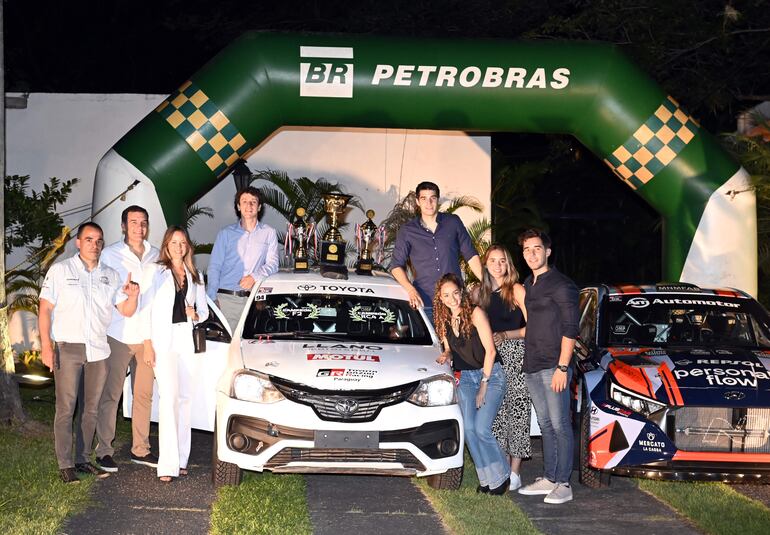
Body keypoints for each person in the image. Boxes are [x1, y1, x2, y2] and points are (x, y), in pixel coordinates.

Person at [39, 222, 139, 483]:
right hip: (68, 348)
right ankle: (65, 464)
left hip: (98, 350)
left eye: (98, 241)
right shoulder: (61, 270)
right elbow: (45, 309)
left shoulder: (110, 275)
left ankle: (83, 459)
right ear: (78, 243)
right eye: (89, 239)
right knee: (66, 408)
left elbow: (124, 311)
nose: (94, 245)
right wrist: (46, 347)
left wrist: (133, 296)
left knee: (91, 410)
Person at [91, 206, 159, 473]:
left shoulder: (156, 255)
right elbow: (108, 293)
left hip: (147, 338)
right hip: (118, 333)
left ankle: (140, 450)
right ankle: (104, 451)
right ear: (123, 226)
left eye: (143, 223)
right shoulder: (110, 255)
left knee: (144, 395)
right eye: (133, 223)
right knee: (112, 394)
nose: (138, 228)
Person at [516, 229, 579, 505]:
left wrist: (562, 367)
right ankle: (549, 478)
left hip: (555, 366)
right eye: (527, 249)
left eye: (536, 248)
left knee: (560, 424)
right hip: (532, 365)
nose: (531, 253)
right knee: (544, 424)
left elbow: (570, 328)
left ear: (548, 251)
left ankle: (564, 484)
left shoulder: (562, 285)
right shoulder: (529, 283)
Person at [143, 226, 209, 482]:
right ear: (166, 246)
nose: (178, 247)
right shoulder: (155, 271)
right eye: (174, 242)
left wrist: (196, 315)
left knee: (184, 401)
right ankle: (167, 465)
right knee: (168, 399)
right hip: (163, 340)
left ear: (187, 247)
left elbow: (203, 311)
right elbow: (144, 310)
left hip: (186, 340)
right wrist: (147, 344)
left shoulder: (196, 275)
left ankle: (182, 459)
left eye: (182, 243)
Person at [434, 273, 510, 495]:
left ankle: (502, 476)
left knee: (481, 428)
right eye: (446, 295)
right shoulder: (443, 319)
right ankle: (487, 479)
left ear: (462, 292)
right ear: (440, 297)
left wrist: (484, 385)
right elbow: (449, 347)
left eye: (455, 293)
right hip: (466, 377)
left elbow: (491, 351)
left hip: (491, 374)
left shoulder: (476, 313)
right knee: (468, 429)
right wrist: (446, 355)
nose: (452, 299)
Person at [473, 244, 530, 491]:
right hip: (491, 360)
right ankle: (500, 467)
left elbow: (534, 327)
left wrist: (507, 334)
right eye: (493, 260)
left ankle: (515, 472)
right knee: (494, 414)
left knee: (517, 411)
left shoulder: (517, 290)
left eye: (502, 261)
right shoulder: (479, 294)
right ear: (485, 265)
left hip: (516, 355)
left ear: (509, 265)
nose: (497, 265)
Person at [391, 181, 482, 324]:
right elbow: (396, 266)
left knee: (460, 345)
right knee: (431, 346)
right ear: (417, 202)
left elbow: (470, 254)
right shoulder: (407, 231)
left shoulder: (453, 222)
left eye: (433, 198)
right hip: (426, 302)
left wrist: (487, 283)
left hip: (456, 302)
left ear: (438, 200)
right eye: (424, 198)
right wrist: (410, 290)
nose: (429, 202)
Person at [207, 186, 279, 330]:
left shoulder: (269, 233)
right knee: (227, 349)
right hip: (226, 300)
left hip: (254, 302)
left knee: (252, 349)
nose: (249, 205)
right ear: (238, 206)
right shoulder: (225, 234)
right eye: (244, 201)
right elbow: (214, 266)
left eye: (253, 201)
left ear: (259, 207)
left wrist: (254, 277)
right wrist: (211, 298)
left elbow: (273, 264)